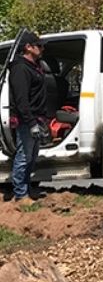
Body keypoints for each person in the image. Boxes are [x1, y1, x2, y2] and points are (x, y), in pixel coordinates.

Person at [9, 31, 48, 205]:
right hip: (27, 121)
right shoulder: (20, 68)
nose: (42, 48)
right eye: (38, 45)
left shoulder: (35, 67)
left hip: (37, 118)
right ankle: (20, 195)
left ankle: (26, 190)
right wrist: (31, 122)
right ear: (28, 47)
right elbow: (21, 100)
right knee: (23, 157)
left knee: (31, 158)